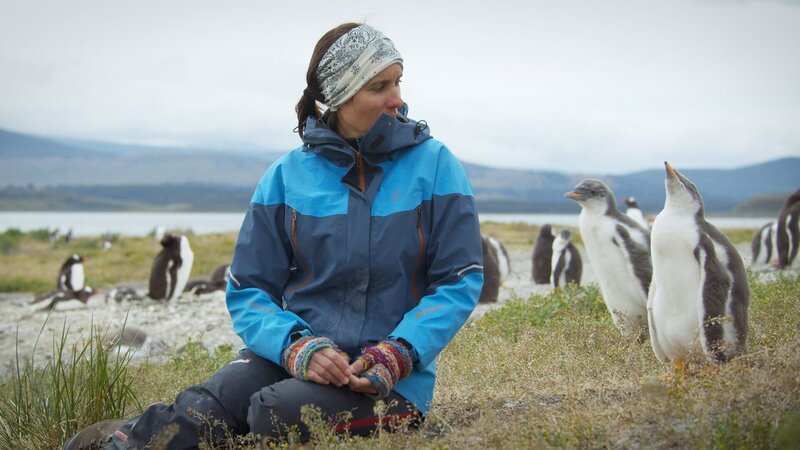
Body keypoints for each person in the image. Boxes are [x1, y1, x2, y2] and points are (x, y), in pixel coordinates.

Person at [64, 22, 484, 449]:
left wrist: (397, 353)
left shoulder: (435, 165)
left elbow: (460, 277)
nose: (398, 99)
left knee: (273, 412)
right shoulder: (285, 177)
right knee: (207, 405)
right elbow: (249, 290)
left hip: (390, 383)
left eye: (397, 81)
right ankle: (116, 441)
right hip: (293, 360)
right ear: (340, 96)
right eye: (379, 87)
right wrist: (296, 347)